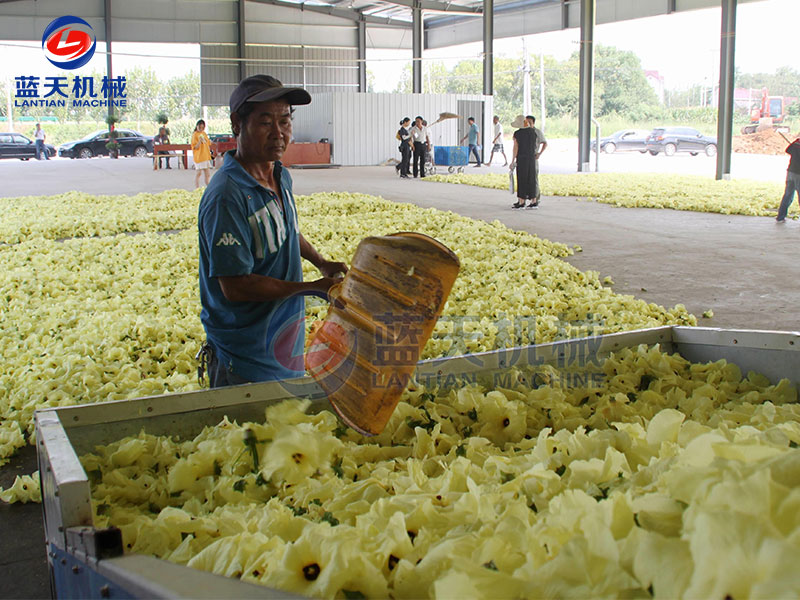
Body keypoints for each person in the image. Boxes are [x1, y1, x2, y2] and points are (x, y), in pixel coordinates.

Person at [197, 74, 348, 388]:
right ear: (238, 124)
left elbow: (287, 230)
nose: (279, 133)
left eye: (285, 120)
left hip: (283, 347)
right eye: (266, 122)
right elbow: (236, 287)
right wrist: (310, 287)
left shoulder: (279, 175)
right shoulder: (228, 194)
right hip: (244, 358)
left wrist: (320, 262)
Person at [511, 115, 548, 209]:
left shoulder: (517, 134)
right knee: (531, 179)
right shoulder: (534, 132)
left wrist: (512, 160)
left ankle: (522, 201)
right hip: (532, 158)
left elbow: (516, 147)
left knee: (522, 179)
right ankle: (534, 201)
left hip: (522, 158)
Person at [776, 132, 800, 223]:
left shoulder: (796, 143)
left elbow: (788, 150)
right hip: (799, 173)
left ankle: (780, 217)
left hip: (790, 172)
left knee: (788, 195)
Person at [191, 119, 213, 188]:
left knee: (207, 174)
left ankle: (209, 187)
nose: (201, 129)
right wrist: (199, 141)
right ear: (197, 126)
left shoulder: (204, 134)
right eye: (199, 127)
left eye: (202, 128)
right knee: (198, 173)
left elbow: (208, 143)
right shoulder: (195, 135)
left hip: (205, 156)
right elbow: (195, 147)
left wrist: (210, 141)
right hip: (199, 157)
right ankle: (197, 188)